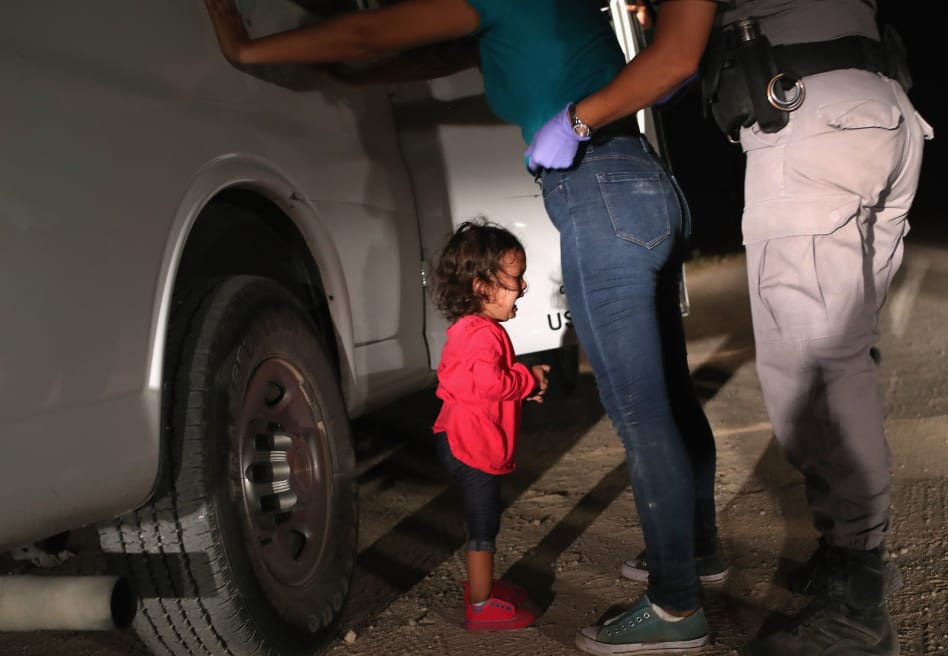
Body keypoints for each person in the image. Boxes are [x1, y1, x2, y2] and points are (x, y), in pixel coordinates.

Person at [203, 1, 724, 653]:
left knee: (644, 415)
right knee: (669, 399)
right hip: (643, 185)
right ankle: (697, 551)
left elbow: (368, 28)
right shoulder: (546, 11)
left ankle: (676, 606)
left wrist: (248, 49)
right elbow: (431, 53)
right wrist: (352, 79)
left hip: (598, 191)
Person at [527, 1, 934, 655]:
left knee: (814, 376)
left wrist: (576, 119)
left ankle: (857, 604)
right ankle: (847, 556)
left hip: (811, 124)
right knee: (843, 357)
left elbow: (676, 57)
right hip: (878, 108)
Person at [430, 220, 549, 631]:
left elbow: (479, 382)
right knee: (484, 527)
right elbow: (488, 383)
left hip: (459, 438)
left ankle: (484, 587)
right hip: (471, 446)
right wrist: (527, 379)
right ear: (483, 287)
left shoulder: (471, 330)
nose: (524, 287)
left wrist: (522, 384)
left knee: (484, 523)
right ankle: (479, 604)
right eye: (516, 279)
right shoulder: (481, 333)